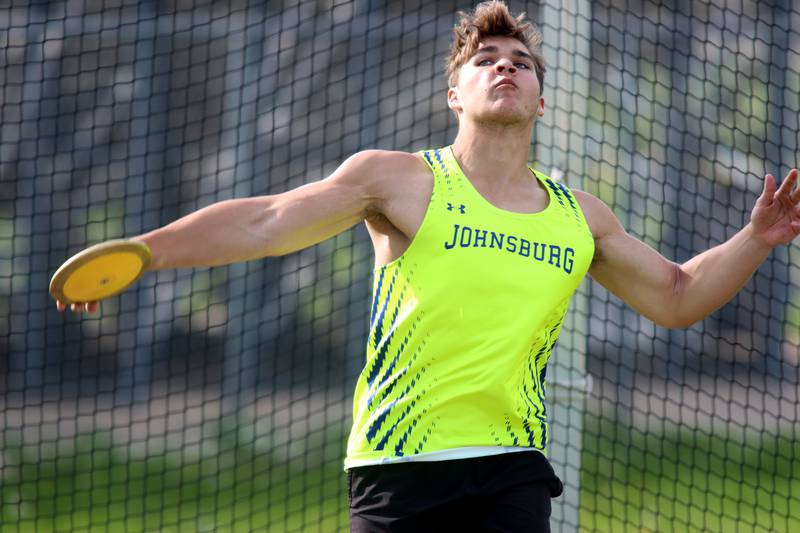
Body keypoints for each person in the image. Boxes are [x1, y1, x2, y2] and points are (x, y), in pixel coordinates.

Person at [56, 1, 799, 531]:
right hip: (398, 466)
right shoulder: (401, 179)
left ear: (542, 100)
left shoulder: (581, 215)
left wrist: (755, 237)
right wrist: (144, 252)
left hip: (512, 465)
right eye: (485, 61)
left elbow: (675, 296)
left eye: (521, 63)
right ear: (455, 94)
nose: (504, 68)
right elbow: (265, 219)